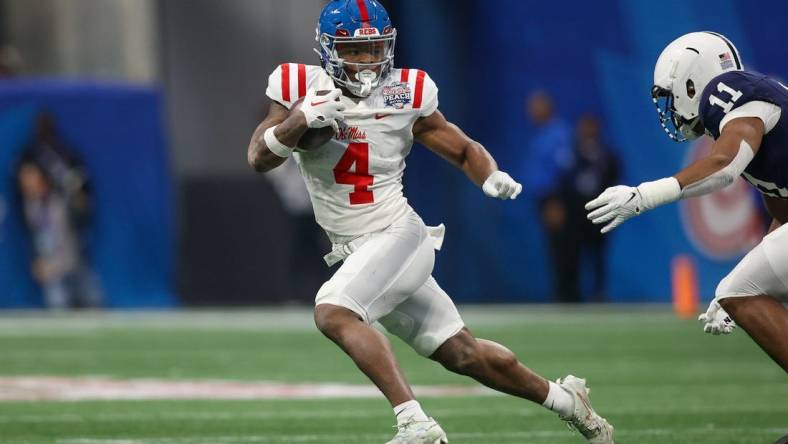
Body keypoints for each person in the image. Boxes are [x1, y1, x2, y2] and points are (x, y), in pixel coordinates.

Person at [247, 1, 613, 443]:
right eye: (354, 51)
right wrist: (300, 119)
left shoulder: (407, 91)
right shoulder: (298, 85)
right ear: (328, 50)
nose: (367, 61)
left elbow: (462, 148)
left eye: (375, 49)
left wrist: (490, 175)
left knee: (334, 311)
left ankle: (414, 422)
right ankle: (569, 402)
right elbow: (259, 158)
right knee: (464, 353)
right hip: (356, 247)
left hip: (397, 234)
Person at [585, 32, 788, 372]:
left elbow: (724, 165)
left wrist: (643, 196)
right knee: (741, 291)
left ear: (691, 82)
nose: (670, 108)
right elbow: (783, 214)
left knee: (738, 291)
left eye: (670, 95)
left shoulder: (726, 90)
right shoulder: (756, 113)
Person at [522, 91, 577, 302]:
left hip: (556, 199)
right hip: (545, 199)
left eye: (536, 106)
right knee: (554, 247)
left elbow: (562, 169)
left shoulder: (558, 134)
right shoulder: (541, 133)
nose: (532, 111)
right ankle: (562, 293)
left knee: (563, 247)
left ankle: (568, 295)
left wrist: (556, 201)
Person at [560, 114, 620, 301]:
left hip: (599, 207)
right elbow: (562, 180)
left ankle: (599, 293)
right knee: (572, 253)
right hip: (575, 210)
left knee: (598, 254)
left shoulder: (606, 154)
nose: (588, 131)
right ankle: (571, 294)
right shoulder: (570, 153)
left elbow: (614, 176)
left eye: (591, 126)